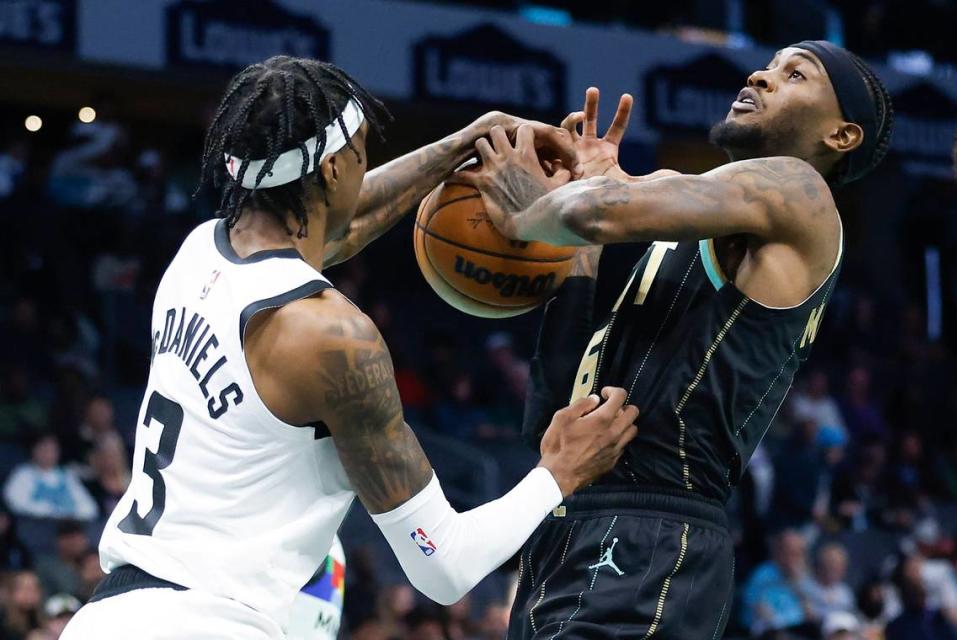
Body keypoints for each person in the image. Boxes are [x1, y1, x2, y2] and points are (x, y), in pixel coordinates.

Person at [61, 56, 638, 640]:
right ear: (335, 168)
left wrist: (468, 141)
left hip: (105, 617)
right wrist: (558, 472)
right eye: (363, 150)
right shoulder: (332, 338)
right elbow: (444, 565)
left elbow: (335, 229)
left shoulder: (199, 254)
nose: (367, 167)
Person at [460, 40, 893, 638]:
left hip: (655, 536)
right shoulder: (688, 205)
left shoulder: (802, 194)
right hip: (569, 518)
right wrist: (579, 220)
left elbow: (598, 212)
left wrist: (529, 211)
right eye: (768, 64)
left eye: (795, 74)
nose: (762, 76)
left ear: (841, 135)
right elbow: (553, 414)